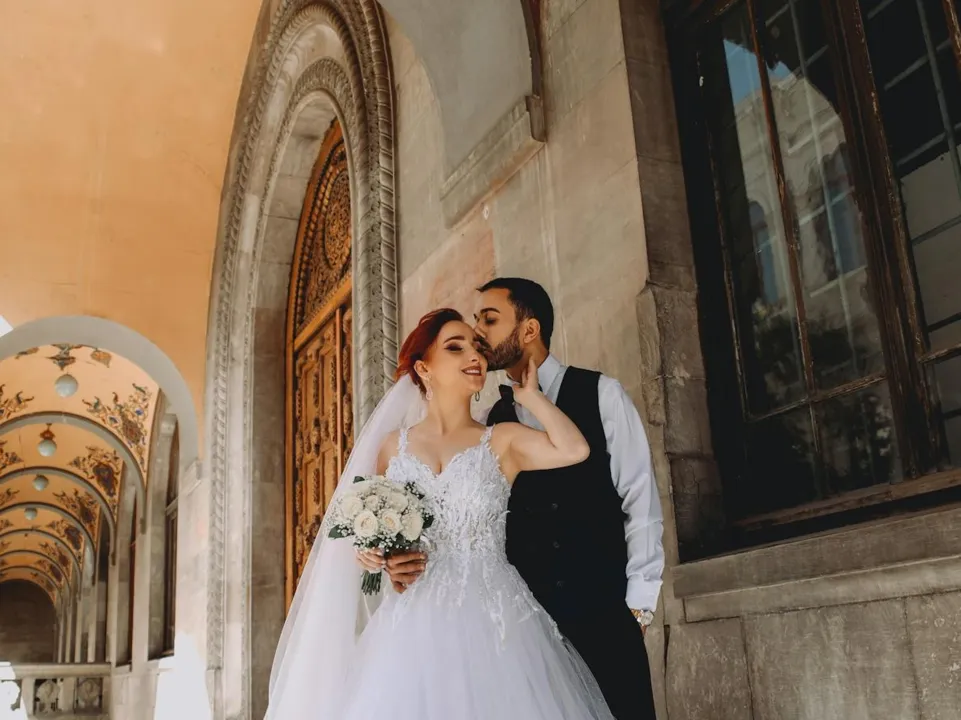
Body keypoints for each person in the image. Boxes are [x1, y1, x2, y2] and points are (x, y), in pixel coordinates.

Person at [264, 308, 616, 719]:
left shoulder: (501, 440)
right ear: (423, 368)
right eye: (455, 347)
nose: (475, 356)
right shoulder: (392, 448)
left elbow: (575, 449)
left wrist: (531, 397)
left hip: (496, 620)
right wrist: (378, 558)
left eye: (478, 347)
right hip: (411, 626)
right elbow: (371, 536)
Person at [383, 279, 664, 719]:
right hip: (519, 625)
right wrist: (390, 560)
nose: (479, 334)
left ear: (529, 329)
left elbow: (640, 498)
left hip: (603, 613)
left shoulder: (601, 394)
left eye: (489, 320)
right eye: (473, 325)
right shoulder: (490, 422)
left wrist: (639, 606)